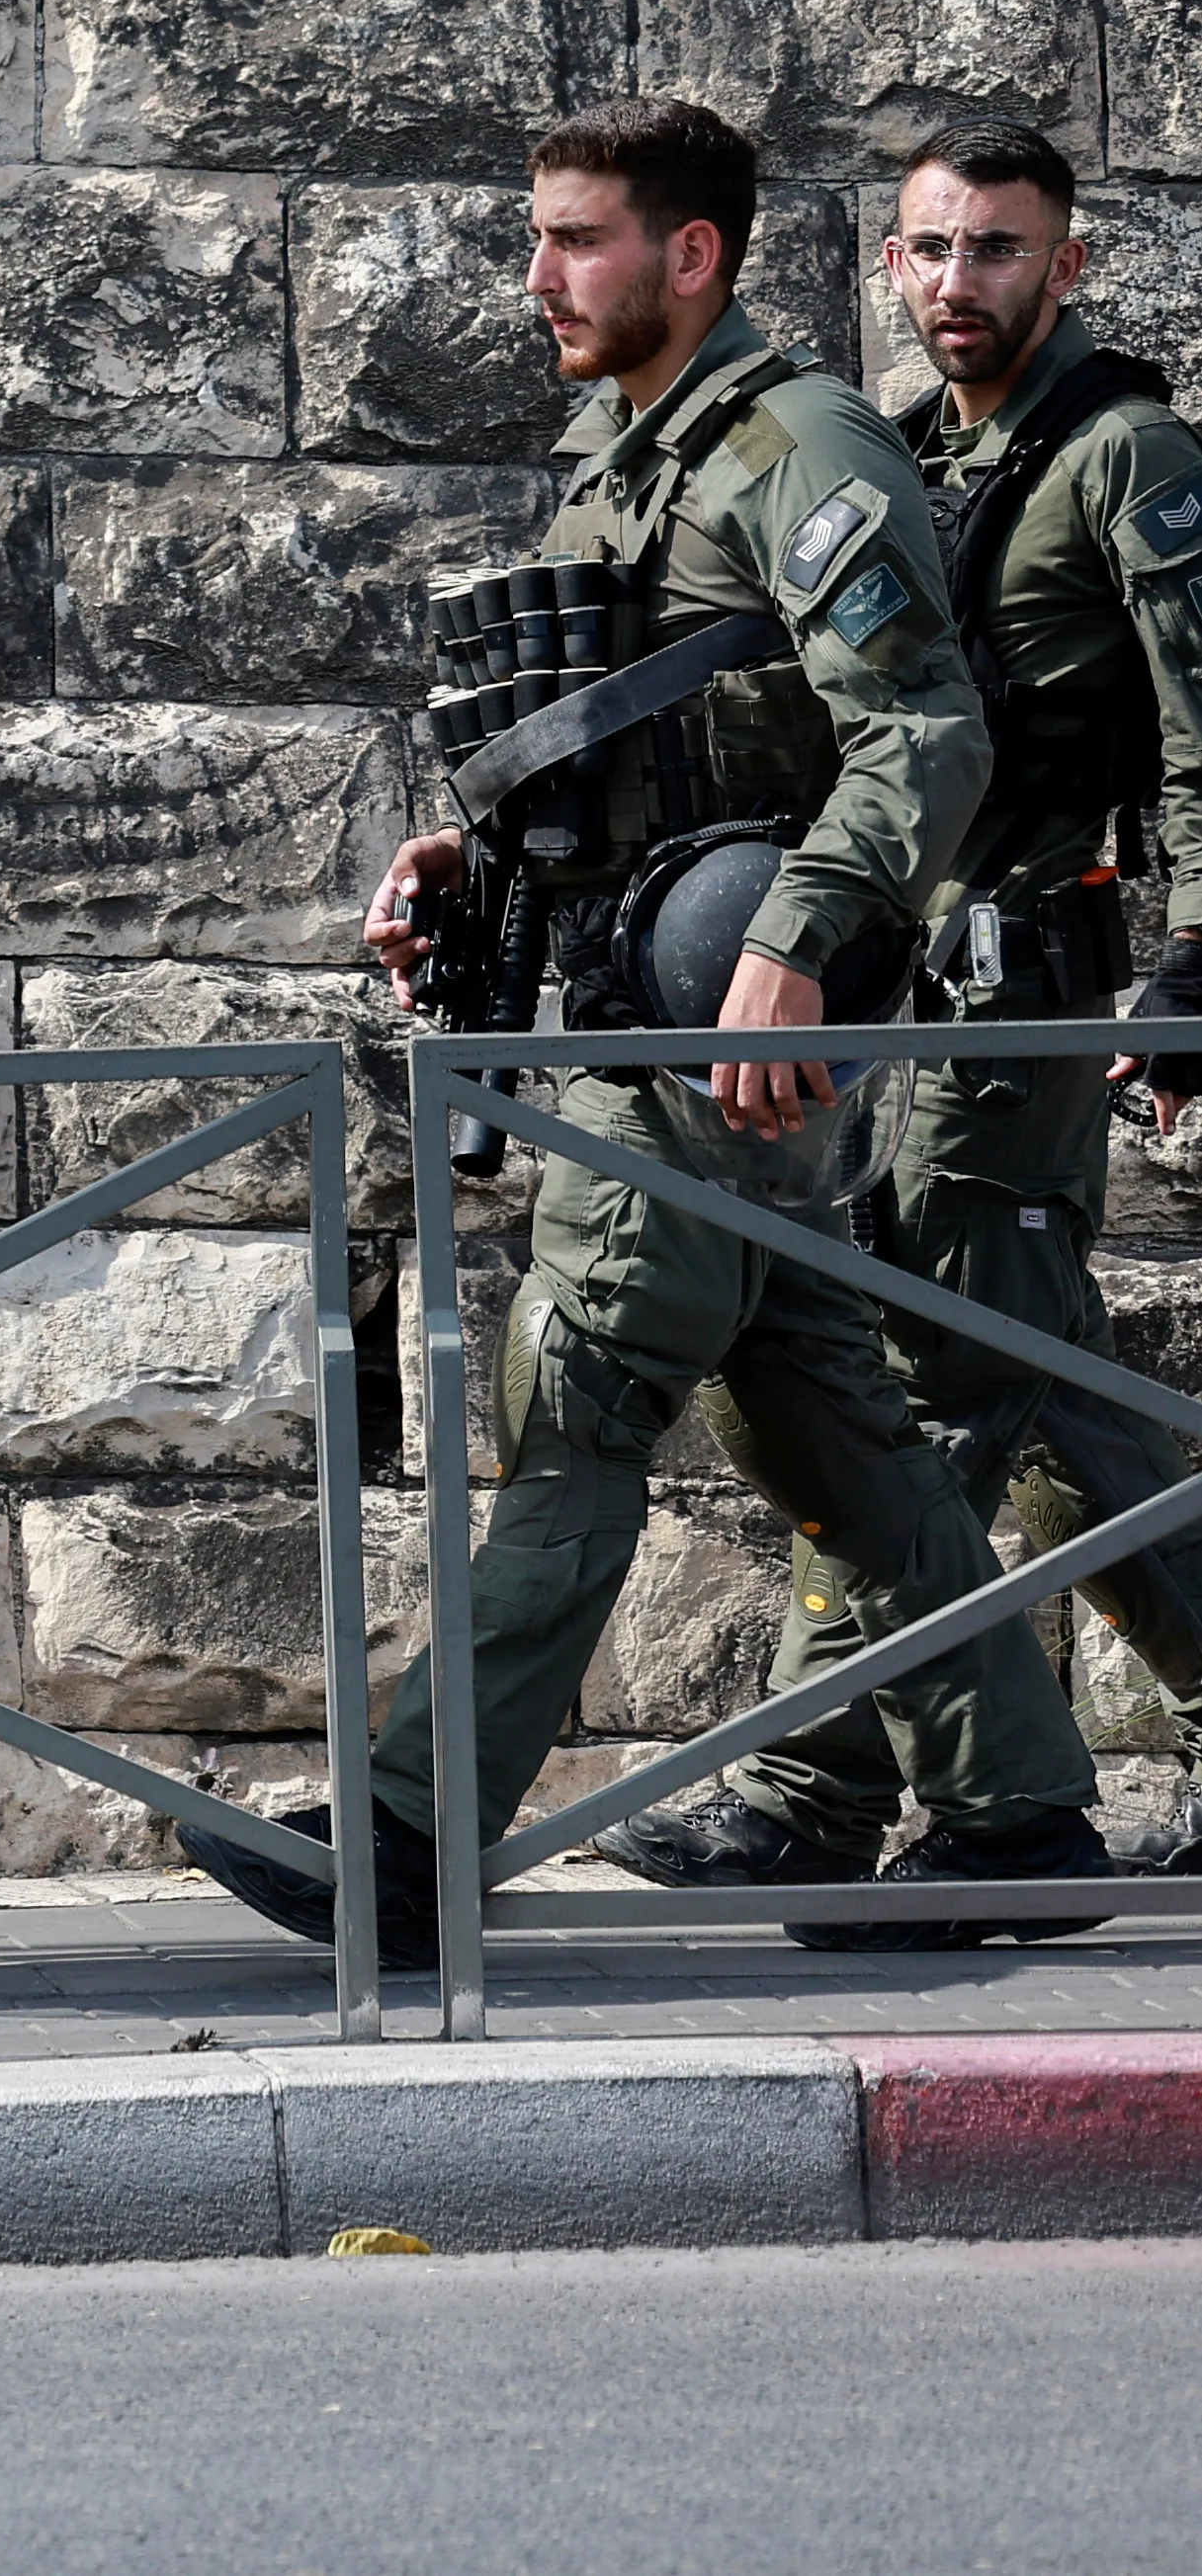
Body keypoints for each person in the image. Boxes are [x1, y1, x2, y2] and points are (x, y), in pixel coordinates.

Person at [189, 98, 1108, 1969]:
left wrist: (795, 944)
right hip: (643, 1011)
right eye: (541, 237)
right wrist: (462, 851)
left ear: (693, 254)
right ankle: (1019, 1798)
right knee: (825, 1416)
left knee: (579, 1400)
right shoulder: (620, 452)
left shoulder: (800, 446)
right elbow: (628, 742)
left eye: (578, 238)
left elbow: (922, 735)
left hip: (724, 1023)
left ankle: (407, 1836)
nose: (540, 277)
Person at [593, 120, 1202, 1928]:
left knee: (921, 1393)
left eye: (1000, 251)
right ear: (888, 264)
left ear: (1067, 265)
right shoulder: (904, 457)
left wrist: (1197, 968)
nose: (961, 285)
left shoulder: (1130, 457)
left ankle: (817, 1788)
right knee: (1055, 1390)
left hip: (1022, 993)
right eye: (932, 252)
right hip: (905, 994)